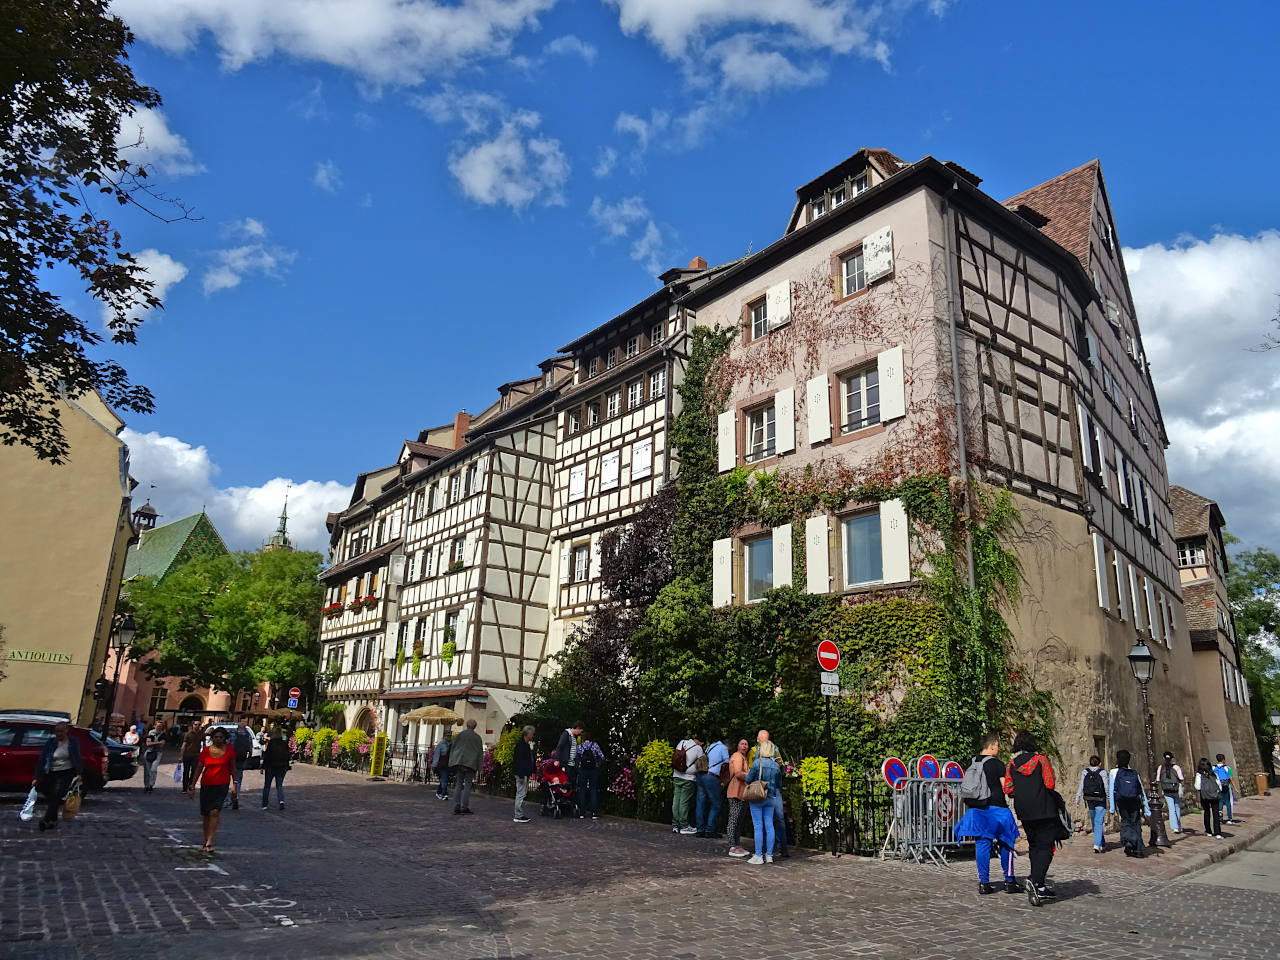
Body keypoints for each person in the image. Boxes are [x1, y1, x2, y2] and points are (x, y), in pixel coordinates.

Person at [955, 733, 1021, 894]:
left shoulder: (972, 763)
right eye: (997, 746)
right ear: (992, 746)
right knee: (1007, 842)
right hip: (997, 808)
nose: (998, 749)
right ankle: (1009, 881)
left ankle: (984, 883)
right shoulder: (996, 764)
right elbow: (1006, 787)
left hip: (977, 809)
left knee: (982, 844)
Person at [1005, 731, 1058, 906]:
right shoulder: (1041, 760)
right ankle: (1034, 879)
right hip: (1043, 808)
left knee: (1034, 846)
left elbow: (1009, 789)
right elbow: (1050, 783)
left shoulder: (1012, 764)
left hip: (1024, 811)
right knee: (1046, 846)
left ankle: (1040, 886)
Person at [187, 726, 237, 853]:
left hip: (221, 785)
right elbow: (199, 768)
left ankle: (210, 841)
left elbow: (233, 768)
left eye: (221, 737)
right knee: (206, 814)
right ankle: (205, 838)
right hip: (207, 784)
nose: (218, 739)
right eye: (216, 737)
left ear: (225, 738)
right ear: (212, 738)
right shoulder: (206, 751)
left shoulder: (230, 750)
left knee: (214, 811)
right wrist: (192, 785)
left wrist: (235, 784)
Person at [32, 721, 83, 831]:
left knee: (56, 795)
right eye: (57, 731)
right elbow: (42, 759)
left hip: (66, 772)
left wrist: (79, 773)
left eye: (61, 731)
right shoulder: (51, 742)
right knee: (52, 797)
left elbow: (77, 758)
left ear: (66, 730)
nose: (59, 733)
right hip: (51, 772)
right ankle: (53, 821)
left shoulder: (72, 742)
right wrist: (36, 776)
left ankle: (46, 820)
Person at [744, 739, 783, 865]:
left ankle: (759, 855)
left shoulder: (757, 763)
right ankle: (770, 855)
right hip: (771, 797)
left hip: (758, 796)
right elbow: (779, 784)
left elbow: (748, 779)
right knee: (769, 825)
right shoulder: (776, 766)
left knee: (758, 826)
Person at [1108, 749, 1150, 857]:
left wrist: (1112, 807)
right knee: (1136, 822)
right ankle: (1139, 849)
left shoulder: (1113, 772)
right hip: (1134, 801)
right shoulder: (1134, 772)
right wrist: (1147, 807)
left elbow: (1111, 790)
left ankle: (1128, 841)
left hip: (1122, 801)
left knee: (1126, 821)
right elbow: (1140, 789)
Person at [696, 734, 730, 839]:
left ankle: (700, 829)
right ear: (728, 745)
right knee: (716, 804)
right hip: (711, 777)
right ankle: (710, 830)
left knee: (701, 802)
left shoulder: (711, 746)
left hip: (701, 774)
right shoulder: (724, 748)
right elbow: (727, 763)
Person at [1074, 754, 1110, 853]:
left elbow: (1082, 785)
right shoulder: (1102, 772)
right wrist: (1108, 799)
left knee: (1095, 821)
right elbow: (1106, 787)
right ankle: (1097, 844)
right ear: (1100, 763)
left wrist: (1078, 797)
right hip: (1100, 799)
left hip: (1089, 798)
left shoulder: (1085, 772)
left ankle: (1101, 843)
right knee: (1098, 822)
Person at [449, 719, 484, 815]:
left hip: (459, 761)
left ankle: (456, 805)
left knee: (459, 784)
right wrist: (480, 767)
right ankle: (464, 806)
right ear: (475, 727)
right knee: (467, 785)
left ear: (467, 725)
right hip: (471, 764)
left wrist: (452, 761)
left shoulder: (460, 735)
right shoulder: (477, 738)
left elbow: (453, 747)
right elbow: (480, 753)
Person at [671, 734, 703, 835]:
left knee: (676, 800)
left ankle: (675, 825)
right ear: (700, 742)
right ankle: (684, 826)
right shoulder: (698, 749)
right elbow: (701, 765)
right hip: (688, 778)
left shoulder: (682, 742)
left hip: (676, 775)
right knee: (684, 802)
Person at [726, 738, 751, 857]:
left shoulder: (743, 757)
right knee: (734, 819)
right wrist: (751, 775)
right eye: (742, 744)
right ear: (738, 746)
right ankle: (732, 845)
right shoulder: (737, 756)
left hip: (742, 793)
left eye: (746, 744)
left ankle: (736, 844)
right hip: (735, 792)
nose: (744, 746)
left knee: (739, 820)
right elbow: (738, 773)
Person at [576, 732, 604, 820]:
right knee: (593, 790)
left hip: (583, 770)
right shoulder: (595, 745)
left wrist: (579, 765)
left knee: (582, 790)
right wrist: (597, 765)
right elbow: (602, 757)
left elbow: (576, 758)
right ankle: (594, 813)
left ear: (583, 738)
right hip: (593, 770)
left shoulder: (580, 746)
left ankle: (582, 813)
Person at [260, 727, 290, 810]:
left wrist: (263, 766)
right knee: (279, 785)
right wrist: (287, 766)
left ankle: (264, 804)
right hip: (281, 767)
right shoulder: (284, 743)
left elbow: (267, 756)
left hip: (271, 766)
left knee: (267, 785)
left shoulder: (271, 743)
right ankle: (281, 801)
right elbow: (287, 756)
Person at [1155, 751, 1185, 834]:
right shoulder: (1176, 767)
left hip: (1166, 790)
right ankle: (1178, 826)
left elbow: (1158, 780)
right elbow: (1181, 778)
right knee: (1177, 807)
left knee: (1171, 809)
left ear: (1163, 758)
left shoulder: (1160, 767)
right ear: (1172, 758)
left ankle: (1174, 827)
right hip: (1175, 790)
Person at [1196, 757, 1224, 838]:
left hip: (1204, 796)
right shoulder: (1213, 773)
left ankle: (1208, 831)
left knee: (1207, 812)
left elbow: (1198, 786)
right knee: (1216, 813)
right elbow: (1219, 785)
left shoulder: (1199, 774)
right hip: (1214, 795)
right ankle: (1218, 833)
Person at [228, 720, 253, 810]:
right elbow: (250, 748)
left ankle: (226, 799)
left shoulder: (232, 733)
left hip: (231, 759)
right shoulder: (248, 735)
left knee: (226, 778)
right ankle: (236, 796)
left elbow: (227, 745)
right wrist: (249, 759)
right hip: (241, 759)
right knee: (238, 779)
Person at [513, 725, 535, 823]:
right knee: (521, 793)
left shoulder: (523, 744)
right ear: (528, 734)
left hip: (523, 772)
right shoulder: (522, 745)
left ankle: (519, 814)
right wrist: (521, 774)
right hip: (522, 773)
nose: (533, 735)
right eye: (532, 733)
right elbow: (518, 760)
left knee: (521, 793)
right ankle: (518, 814)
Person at [555, 722, 583, 791]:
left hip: (572, 763)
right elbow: (559, 746)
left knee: (570, 782)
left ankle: (568, 799)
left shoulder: (574, 736)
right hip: (566, 763)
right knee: (565, 782)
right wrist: (557, 759)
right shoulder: (566, 734)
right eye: (580, 731)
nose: (580, 733)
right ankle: (563, 798)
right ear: (577, 728)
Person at [141, 721, 166, 793]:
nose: (159, 727)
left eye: (161, 726)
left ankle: (151, 784)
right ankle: (146, 786)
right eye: (158, 726)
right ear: (155, 726)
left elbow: (162, 745)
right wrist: (158, 742)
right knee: (147, 770)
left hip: (158, 753)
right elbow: (148, 743)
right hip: (149, 752)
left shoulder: (163, 734)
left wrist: (153, 743)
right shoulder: (151, 733)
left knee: (153, 769)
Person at [1214, 754, 1238, 824]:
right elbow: (1231, 778)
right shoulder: (1227, 768)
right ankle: (1229, 818)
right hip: (1226, 786)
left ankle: (1220, 817)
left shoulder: (1214, 768)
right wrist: (1235, 788)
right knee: (1228, 802)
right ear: (1223, 760)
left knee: (1220, 802)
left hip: (1218, 787)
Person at [180, 723, 204, 793]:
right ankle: (184, 788)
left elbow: (204, 743)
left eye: (199, 724)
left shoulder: (201, 734)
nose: (197, 726)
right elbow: (184, 745)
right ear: (193, 725)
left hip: (196, 755)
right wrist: (181, 756)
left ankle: (190, 785)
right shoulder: (188, 734)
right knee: (186, 771)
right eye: (195, 724)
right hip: (187, 755)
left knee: (194, 771)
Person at [432, 731, 452, 799]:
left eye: (450, 736)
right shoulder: (441, 744)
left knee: (444, 779)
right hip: (442, 764)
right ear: (444, 736)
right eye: (447, 736)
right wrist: (434, 764)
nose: (449, 737)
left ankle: (438, 792)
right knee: (444, 779)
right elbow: (437, 754)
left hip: (449, 764)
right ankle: (444, 793)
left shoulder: (452, 744)